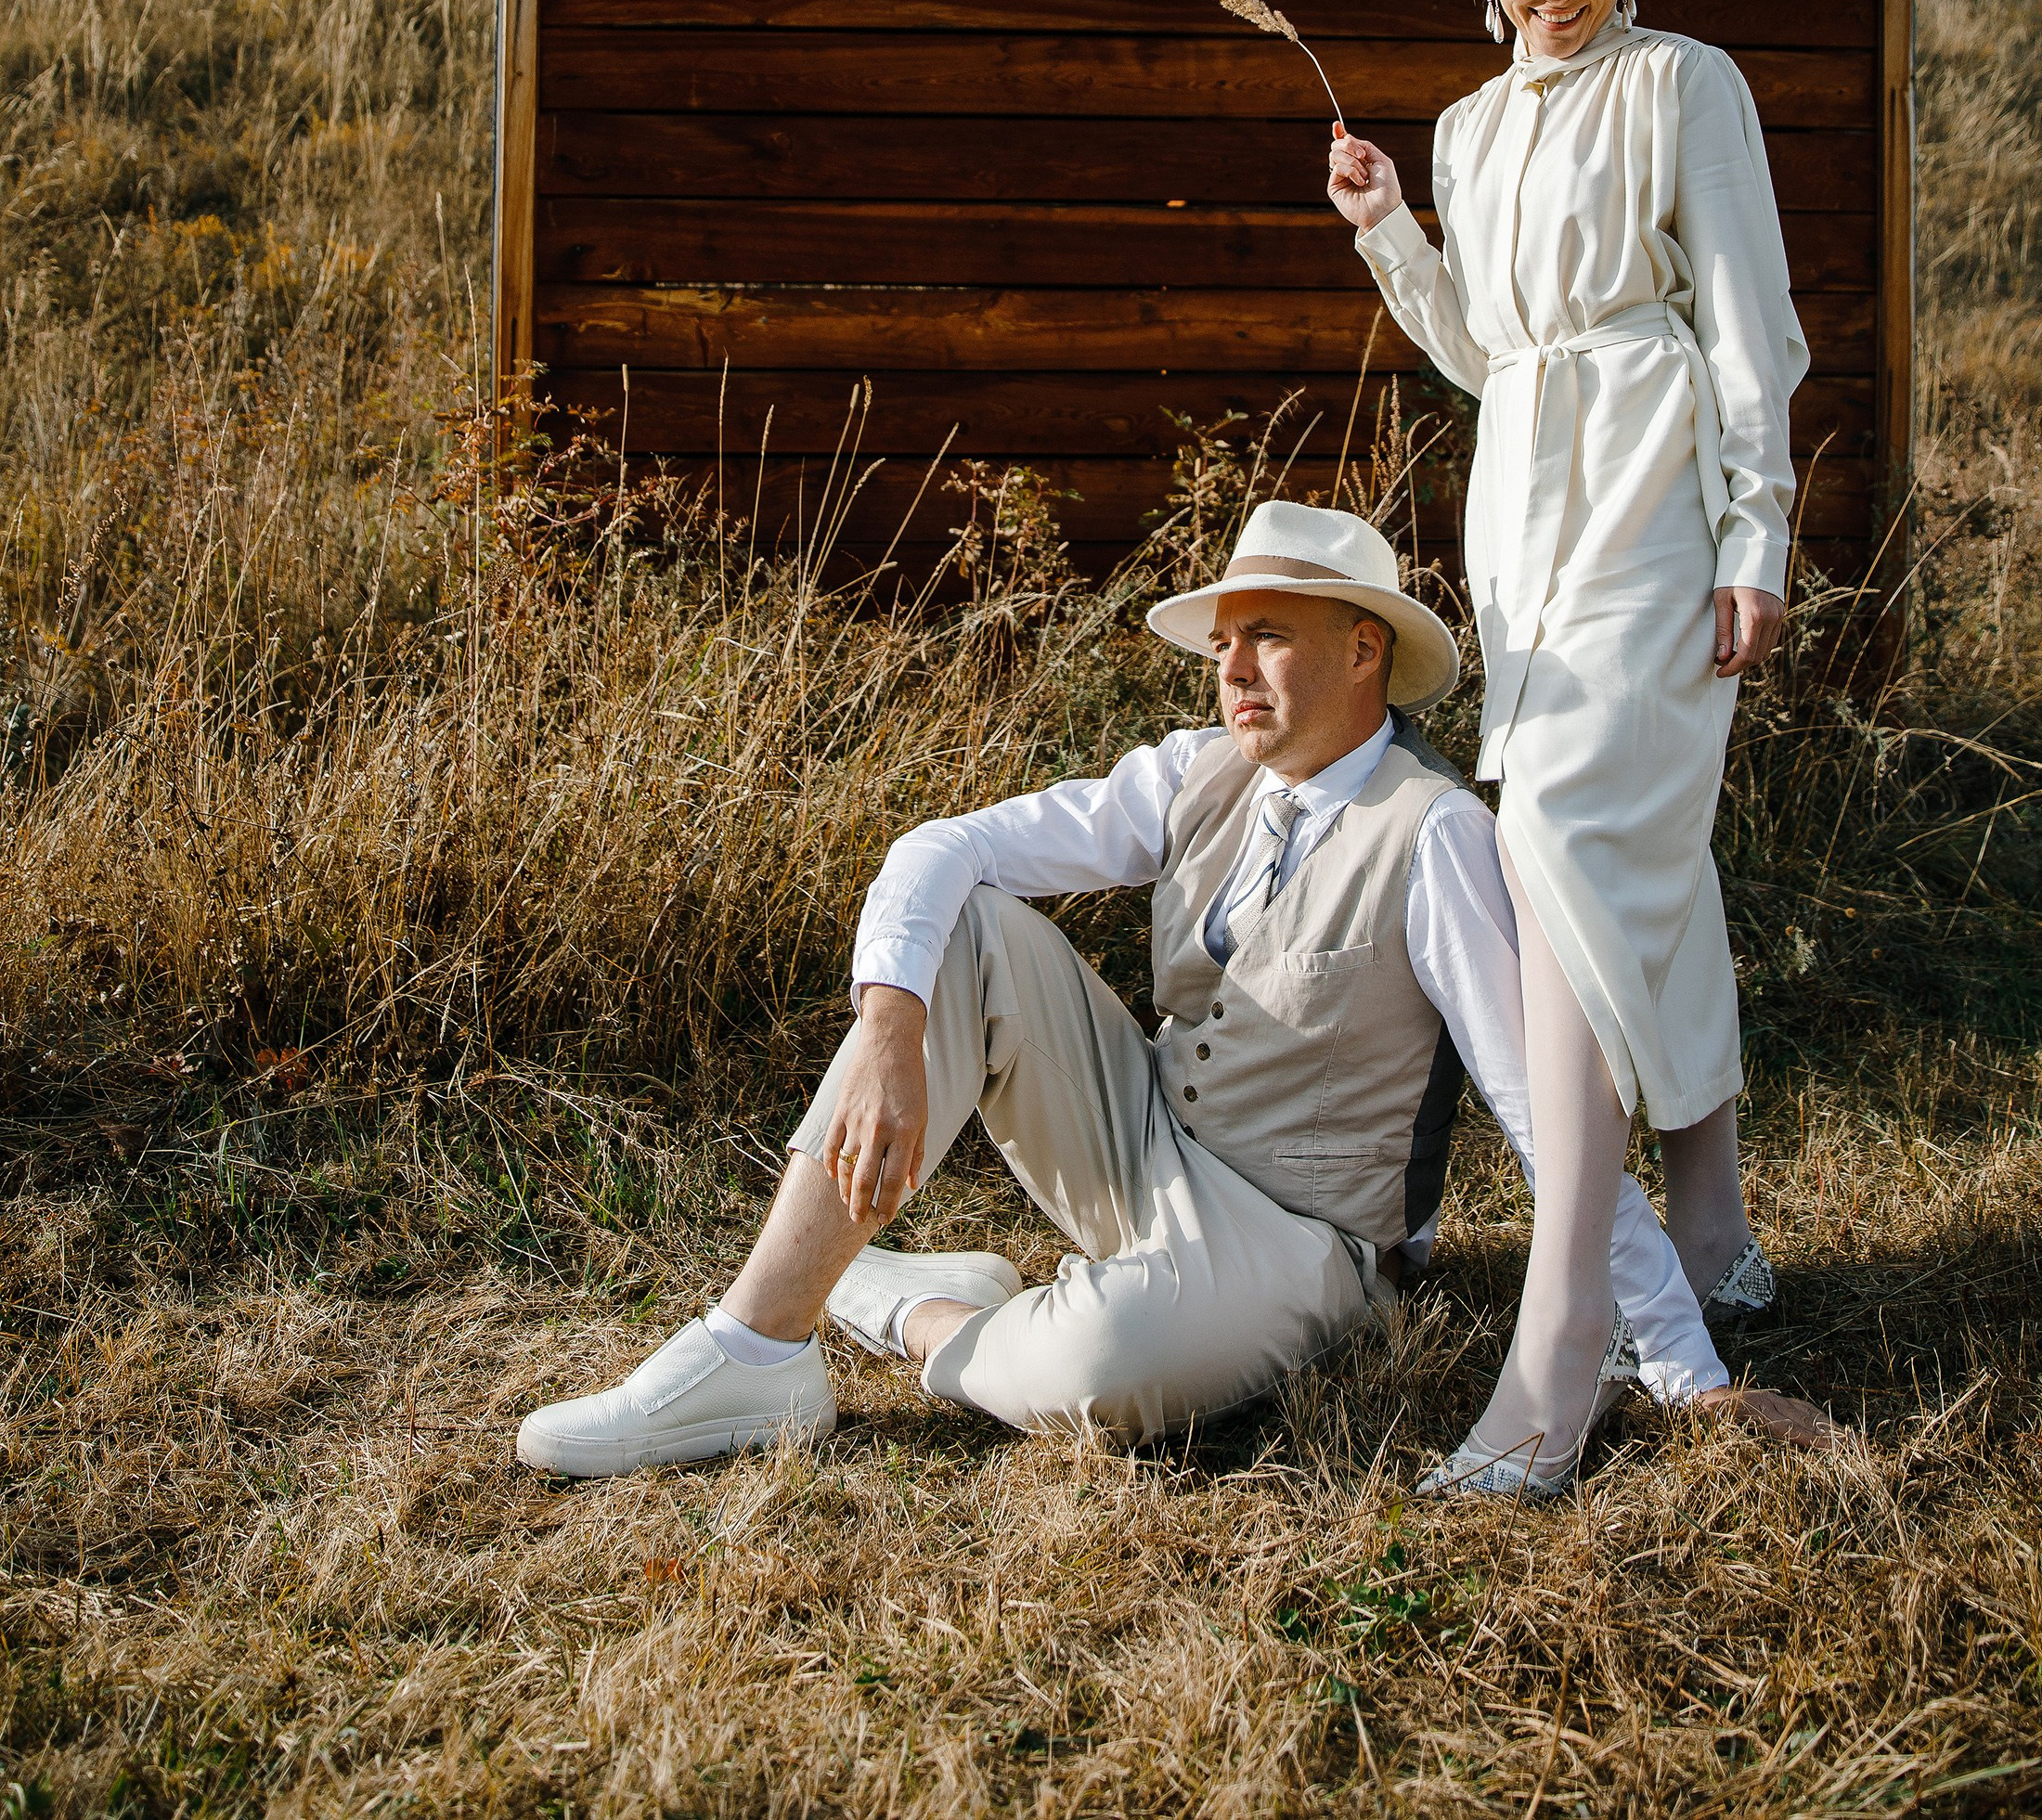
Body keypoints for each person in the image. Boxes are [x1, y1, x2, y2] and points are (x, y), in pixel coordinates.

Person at [515, 498, 1827, 1480]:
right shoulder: (1197, 770)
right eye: (1224, 641)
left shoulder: (1434, 834)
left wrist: (1686, 1371)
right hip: (1147, 1141)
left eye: (1270, 637)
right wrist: (887, 1023)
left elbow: (1549, 1120)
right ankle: (756, 1350)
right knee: (966, 923)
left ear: (1364, 650)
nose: (1232, 668)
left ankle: (917, 1310)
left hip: (1306, 1239)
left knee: (1095, 1375)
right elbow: (941, 849)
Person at [1327, 0, 1805, 1496]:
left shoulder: (1688, 85)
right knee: (1638, 856)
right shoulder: (1464, 127)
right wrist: (1392, 228)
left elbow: (1748, 318)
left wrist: (1758, 532)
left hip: (1656, 501)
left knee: (1568, 846)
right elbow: (1486, 351)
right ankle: (1713, 1230)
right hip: (1521, 525)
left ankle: (1567, 1336)